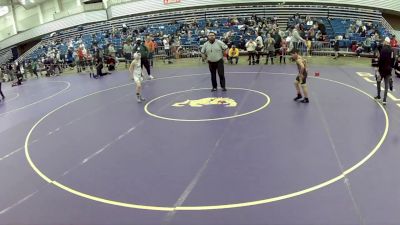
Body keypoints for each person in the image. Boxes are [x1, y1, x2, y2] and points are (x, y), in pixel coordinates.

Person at [375, 37, 395, 105]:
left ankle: (378, 96)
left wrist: (378, 67)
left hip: (382, 70)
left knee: (378, 81)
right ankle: (384, 100)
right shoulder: (392, 50)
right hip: (388, 70)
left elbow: (381, 59)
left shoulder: (383, 49)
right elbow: (393, 59)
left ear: (385, 42)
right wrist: (391, 67)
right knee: (386, 85)